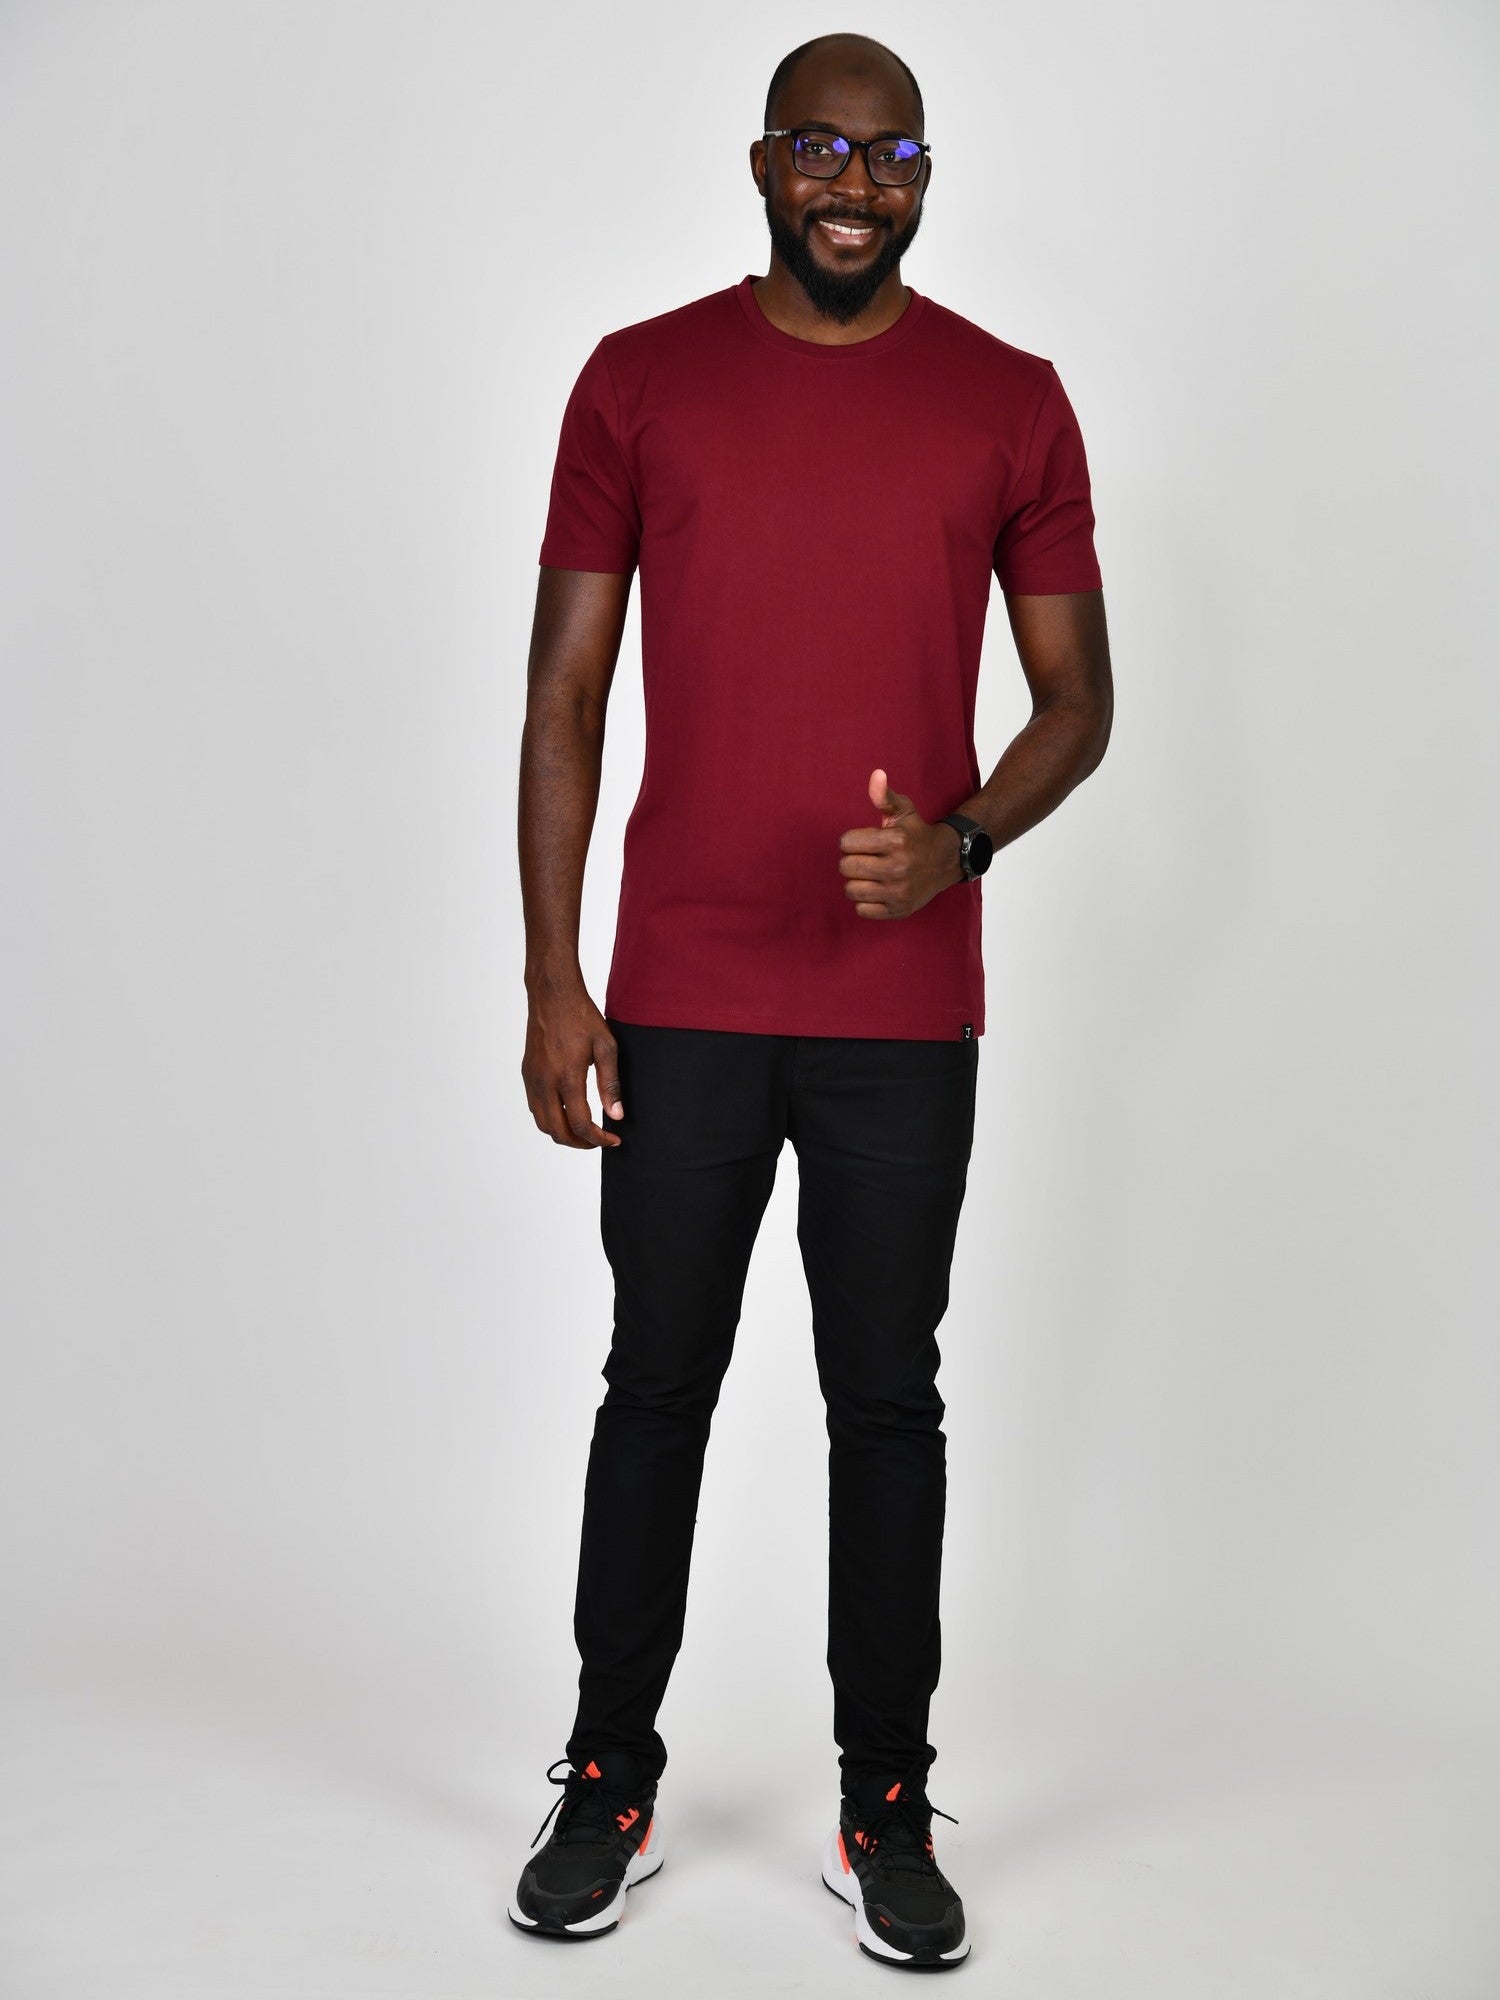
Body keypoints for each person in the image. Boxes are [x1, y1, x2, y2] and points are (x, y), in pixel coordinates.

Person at [506, 30, 1112, 1970]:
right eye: (819, 151)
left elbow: (1079, 700)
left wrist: (960, 838)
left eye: (889, 155)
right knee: (655, 1386)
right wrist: (552, 977)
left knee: (887, 1403)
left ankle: (883, 1797)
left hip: (898, 1002)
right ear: (764, 162)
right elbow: (566, 696)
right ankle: (610, 1774)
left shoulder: (1009, 404)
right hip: (681, 987)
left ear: (927, 177)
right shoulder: (640, 381)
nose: (852, 185)